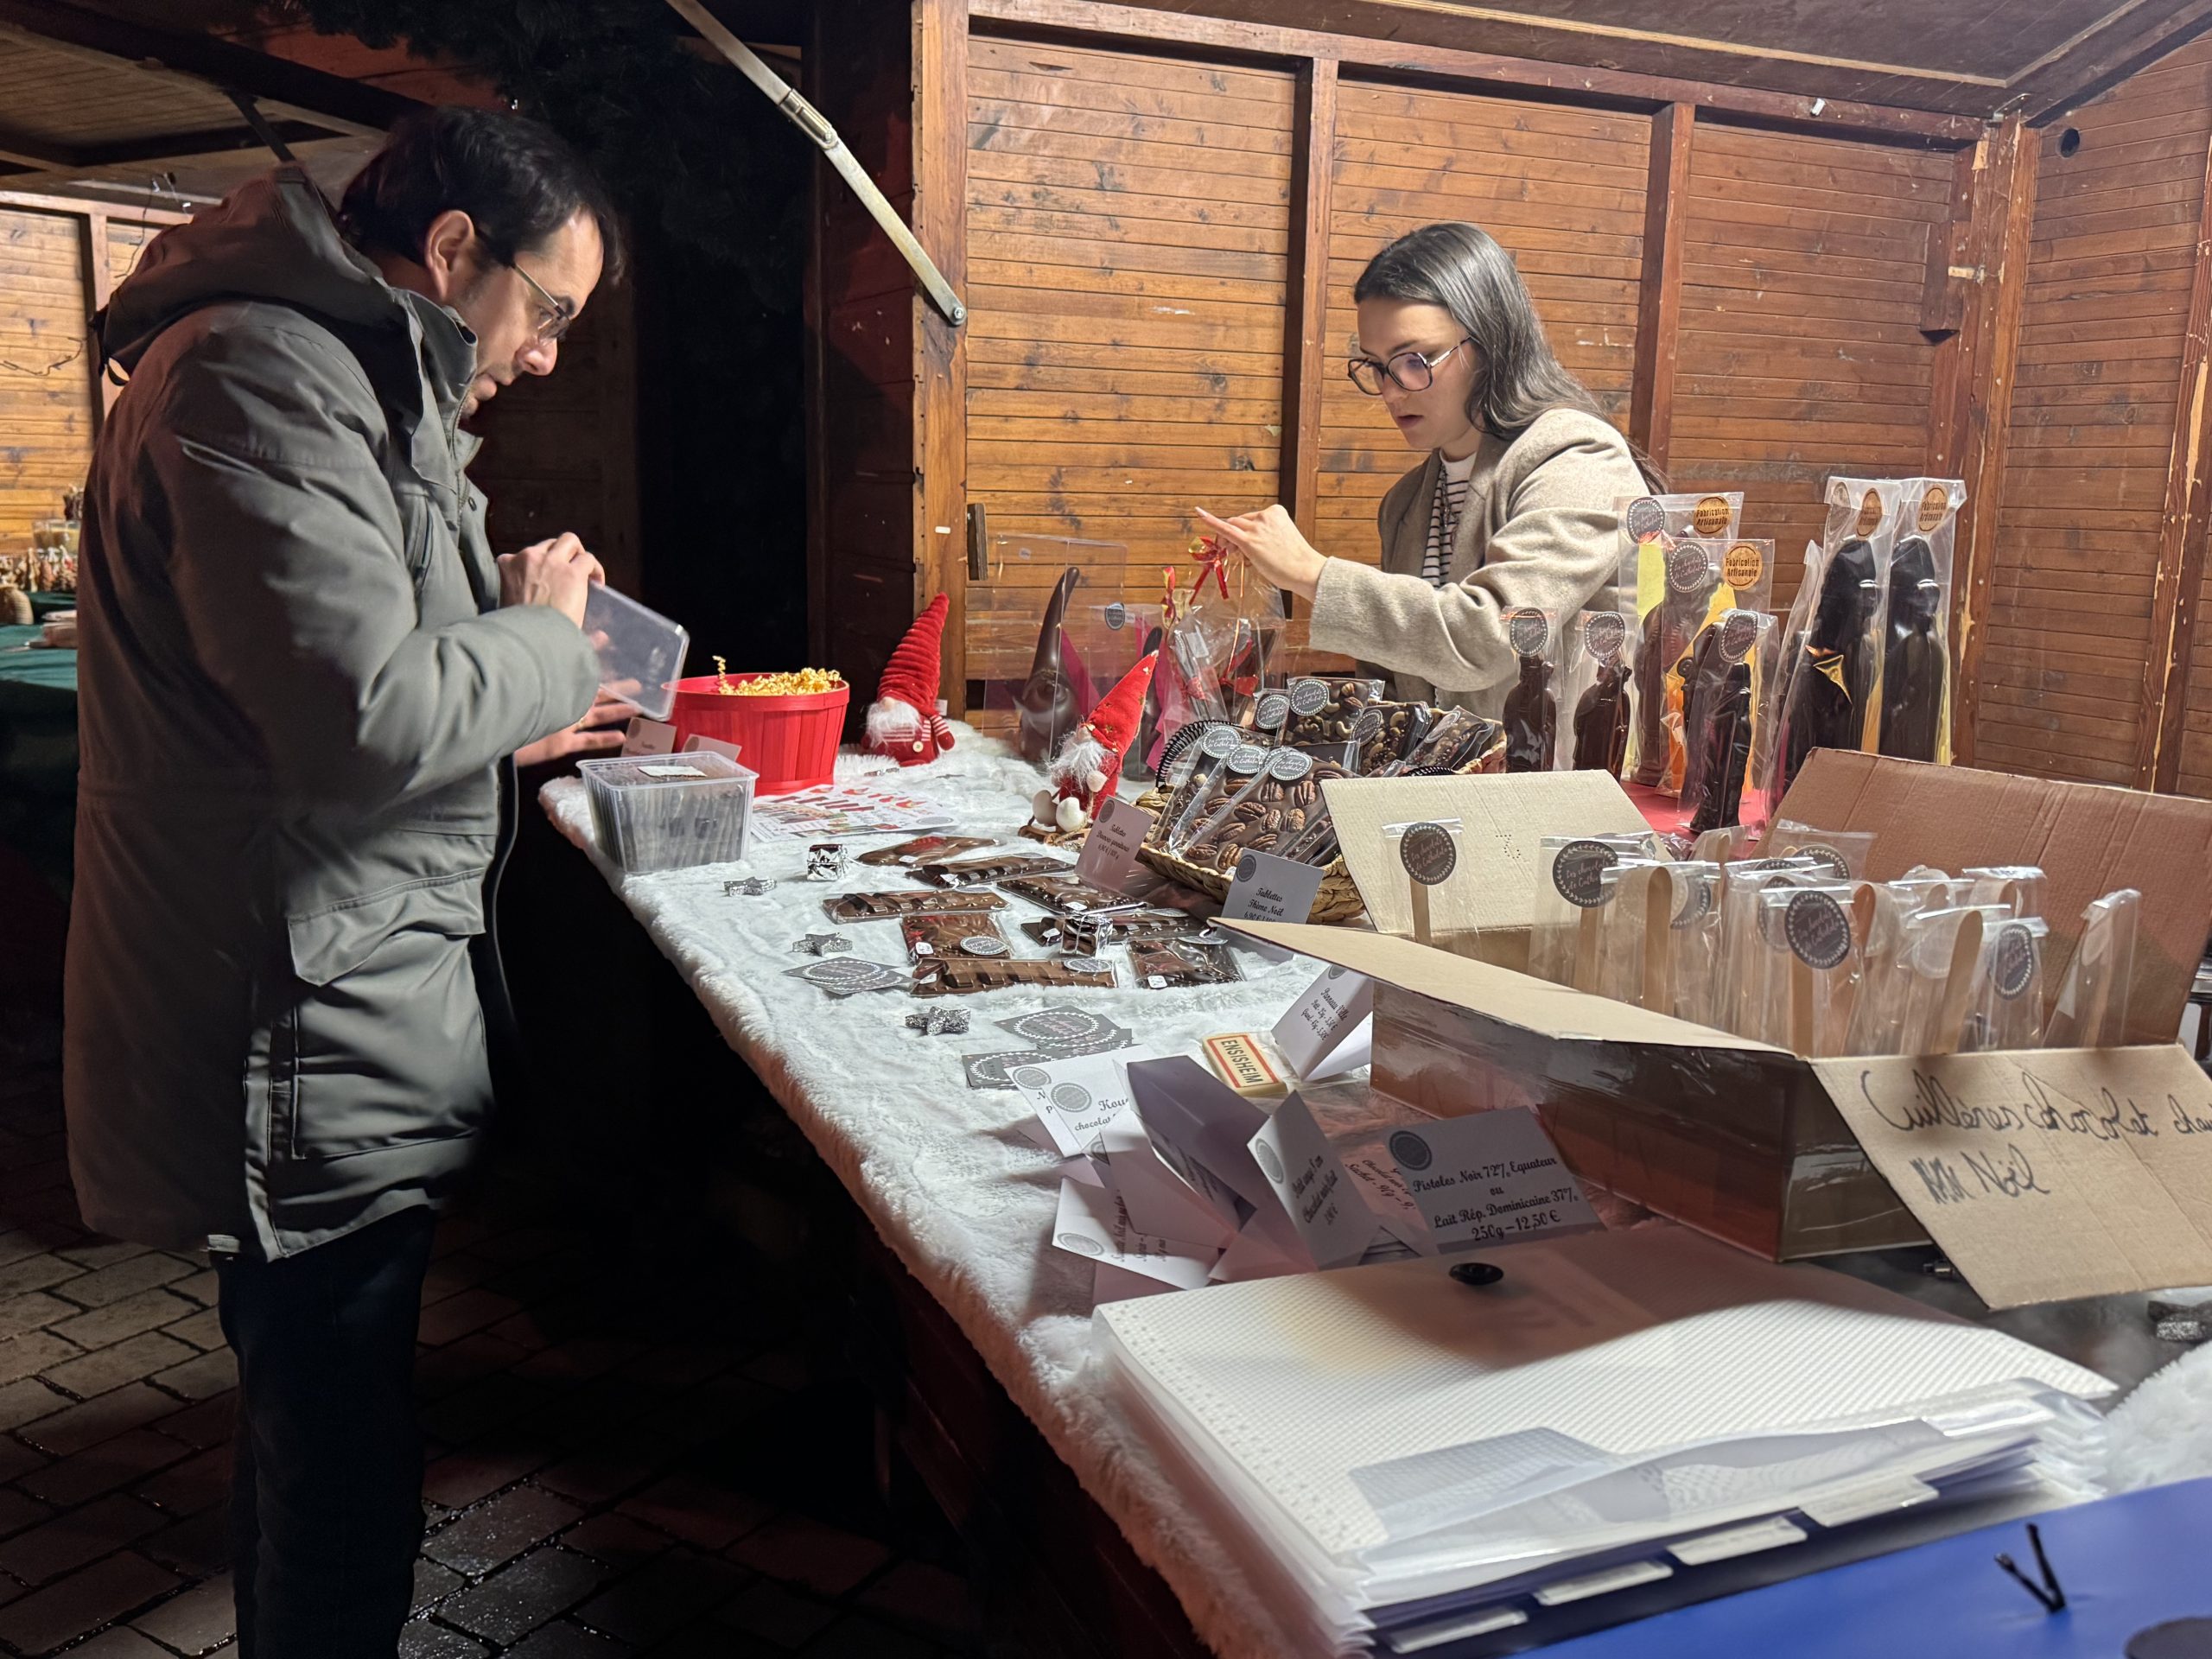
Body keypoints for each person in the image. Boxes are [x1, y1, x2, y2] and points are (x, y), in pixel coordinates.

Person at [65, 107, 624, 1656]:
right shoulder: (263, 373)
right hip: (296, 1028)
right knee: (340, 1471)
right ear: (452, 250)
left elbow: (329, 692)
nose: (547, 356)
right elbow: (361, 716)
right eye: (550, 310)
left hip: (326, 989)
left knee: (316, 1430)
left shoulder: (337, 374)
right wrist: (546, 634)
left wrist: (509, 711)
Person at [1197, 221, 1648, 715]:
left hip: (1569, 765)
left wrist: (1311, 573)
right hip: (1448, 768)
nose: (1392, 391)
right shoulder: (1405, 502)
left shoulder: (1578, 456)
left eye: (1415, 360)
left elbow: (1493, 637)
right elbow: (1390, 690)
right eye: (1376, 366)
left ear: (1490, 342)